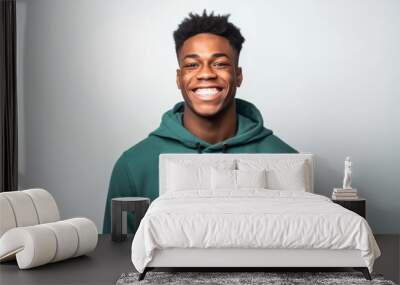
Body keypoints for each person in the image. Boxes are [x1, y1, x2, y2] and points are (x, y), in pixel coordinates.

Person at [103, 10, 297, 233]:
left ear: (238, 75)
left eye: (220, 64)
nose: (205, 74)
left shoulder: (287, 161)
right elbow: (116, 260)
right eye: (192, 65)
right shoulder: (133, 166)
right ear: (179, 78)